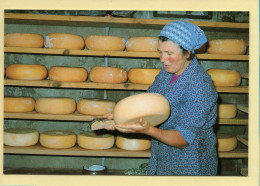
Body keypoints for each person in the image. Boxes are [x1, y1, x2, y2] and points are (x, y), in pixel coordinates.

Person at [105, 21, 218, 176]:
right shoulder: (167, 73)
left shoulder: (199, 86)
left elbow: (183, 139)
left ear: (187, 53)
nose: (163, 59)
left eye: (169, 54)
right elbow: (148, 105)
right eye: (160, 52)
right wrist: (119, 117)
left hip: (190, 163)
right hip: (163, 156)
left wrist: (148, 130)